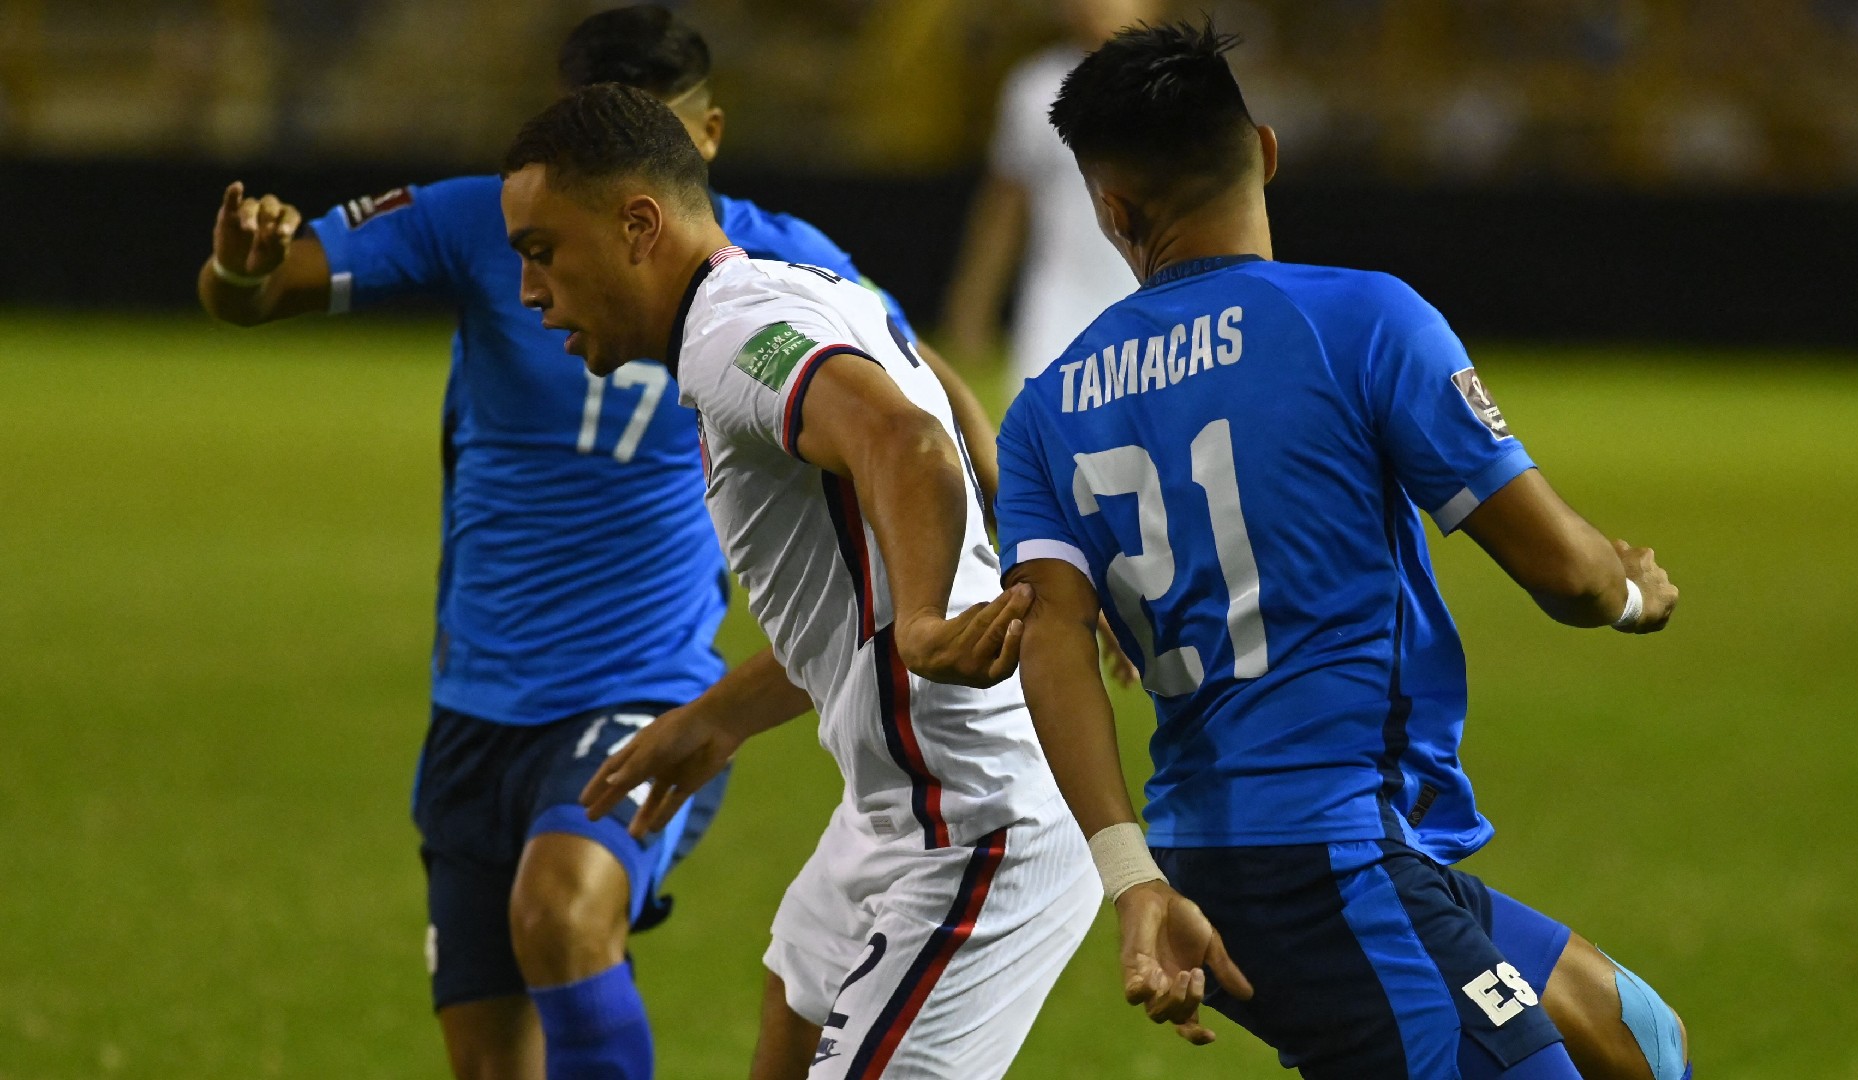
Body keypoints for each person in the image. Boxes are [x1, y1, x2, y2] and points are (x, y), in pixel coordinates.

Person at [194, 8, 998, 1079]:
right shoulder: (495, 218)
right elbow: (256, 292)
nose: (535, 283)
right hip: (477, 701)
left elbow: (921, 398)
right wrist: (241, 271)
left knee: (561, 911)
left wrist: (1018, 566)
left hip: (644, 686)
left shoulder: (767, 274)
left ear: (699, 143)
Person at [993, 21, 1692, 1080]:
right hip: (1324, 855)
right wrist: (1634, 594)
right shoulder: (1361, 320)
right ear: (1266, 151)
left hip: (1250, 844)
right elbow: (1567, 573)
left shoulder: (1047, 408)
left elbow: (1054, 639)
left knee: (1636, 1036)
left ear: (1112, 210)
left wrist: (1132, 877)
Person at [498, 83, 1102, 1080]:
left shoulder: (733, 336)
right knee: (789, 1011)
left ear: (638, 226)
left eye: (541, 250)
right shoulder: (800, 293)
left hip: (973, 819)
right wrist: (722, 714)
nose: (529, 290)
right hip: (897, 806)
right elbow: (860, 590)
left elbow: (906, 441)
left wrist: (921, 622)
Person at [941, 0, 1153, 396]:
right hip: (1056, 312)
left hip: (1152, 307)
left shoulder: (1187, 87)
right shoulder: (1035, 88)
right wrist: (972, 306)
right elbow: (1005, 207)